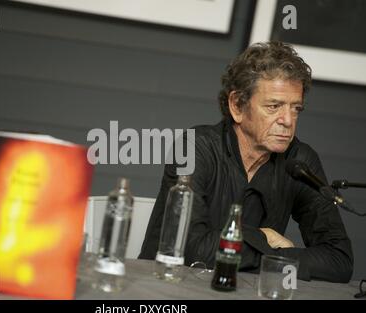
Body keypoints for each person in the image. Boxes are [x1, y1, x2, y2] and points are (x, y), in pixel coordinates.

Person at [139, 41, 353, 283]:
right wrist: (263, 238)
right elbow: (193, 250)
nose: (287, 120)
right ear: (237, 106)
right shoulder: (196, 147)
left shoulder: (300, 161)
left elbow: (339, 261)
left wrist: (269, 254)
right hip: (164, 288)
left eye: (296, 109)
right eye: (274, 106)